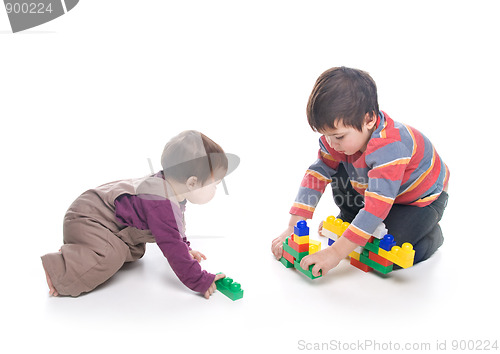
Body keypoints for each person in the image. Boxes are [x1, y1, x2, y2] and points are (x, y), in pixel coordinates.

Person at [271, 66, 449, 277]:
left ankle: (432, 236)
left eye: (338, 136)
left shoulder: (390, 148)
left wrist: (335, 253)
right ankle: (350, 218)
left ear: (369, 119)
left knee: (385, 254)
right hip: (375, 188)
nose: (331, 143)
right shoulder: (340, 142)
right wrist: (293, 226)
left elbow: (377, 207)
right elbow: (316, 176)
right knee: (332, 168)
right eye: (326, 135)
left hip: (419, 201)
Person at [42, 130, 237, 298]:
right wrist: (199, 279)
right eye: (215, 184)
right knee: (109, 258)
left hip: (102, 224)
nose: (216, 190)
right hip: (87, 219)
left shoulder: (173, 191)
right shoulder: (160, 200)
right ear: (192, 182)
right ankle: (61, 269)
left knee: (134, 252)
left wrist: (186, 248)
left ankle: (81, 253)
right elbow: (171, 245)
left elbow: (175, 229)